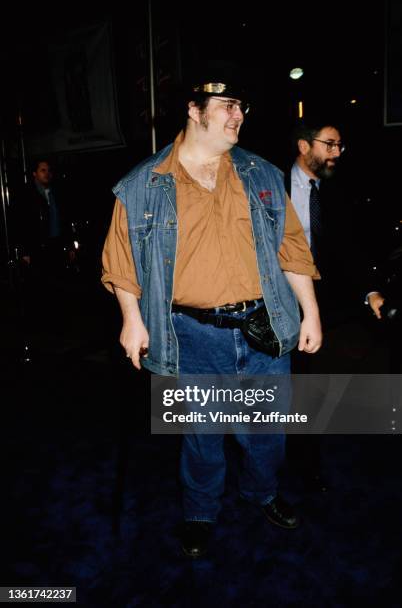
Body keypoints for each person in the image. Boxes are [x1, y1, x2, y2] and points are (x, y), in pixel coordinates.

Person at [101, 73, 322, 558]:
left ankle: (261, 493)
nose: (237, 115)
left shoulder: (260, 173)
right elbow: (120, 262)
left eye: (242, 106)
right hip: (190, 335)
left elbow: (291, 248)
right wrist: (131, 320)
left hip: (263, 327)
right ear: (194, 110)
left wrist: (310, 312)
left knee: (267, 433)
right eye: (226, 106)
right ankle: (200, 511)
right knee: (202, 437)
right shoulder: (143, 184)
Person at [285, 119, 345, 492]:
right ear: (304, 146)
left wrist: (368, 290)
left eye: (340, 145)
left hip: (319, 303)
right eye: (330, 144)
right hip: (273, 301)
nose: (337, 152)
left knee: (310, 386)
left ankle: (307, 461)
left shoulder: (336, 192)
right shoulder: (271, 182)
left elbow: (347, 246)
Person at [15, 159, 73, 277]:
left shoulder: (56, 193)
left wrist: (70, 245)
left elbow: (65, 220)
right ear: (34, 174)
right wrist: (24, 252)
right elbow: (20, 224)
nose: (47, 173)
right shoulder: (26, 195)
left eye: (49, 170)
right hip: (37, 249)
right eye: (43, 170)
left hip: (57, 246)